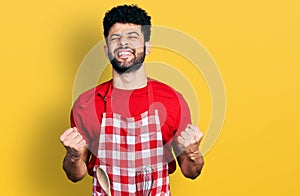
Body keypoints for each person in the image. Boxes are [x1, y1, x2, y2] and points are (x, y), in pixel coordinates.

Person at [60, 4, 204, 195]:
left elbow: (190, 171)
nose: (123, 43)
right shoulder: (86, 104)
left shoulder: (172, 100)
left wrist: (192, 153)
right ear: (106, 50)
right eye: (115, 38)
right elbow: (75, 175)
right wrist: (73, 156)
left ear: (148, 47)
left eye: (132, 37)